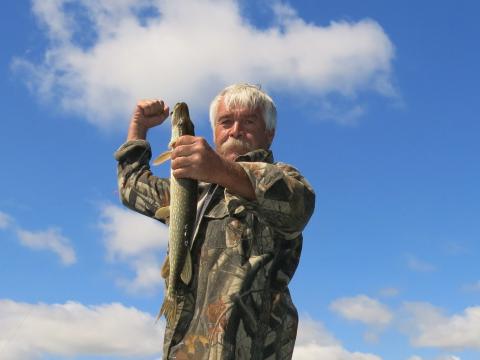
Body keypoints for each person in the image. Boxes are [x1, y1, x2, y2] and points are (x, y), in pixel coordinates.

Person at [114, 83, 315, 360]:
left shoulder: (284, 178)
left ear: (269, 134)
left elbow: (297, 206)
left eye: (249, 121)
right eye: (226, 122)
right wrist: (138, 129)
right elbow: (132, 188)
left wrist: (219, 169)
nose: (235, 130)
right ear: (215, 134)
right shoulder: (191, 188)